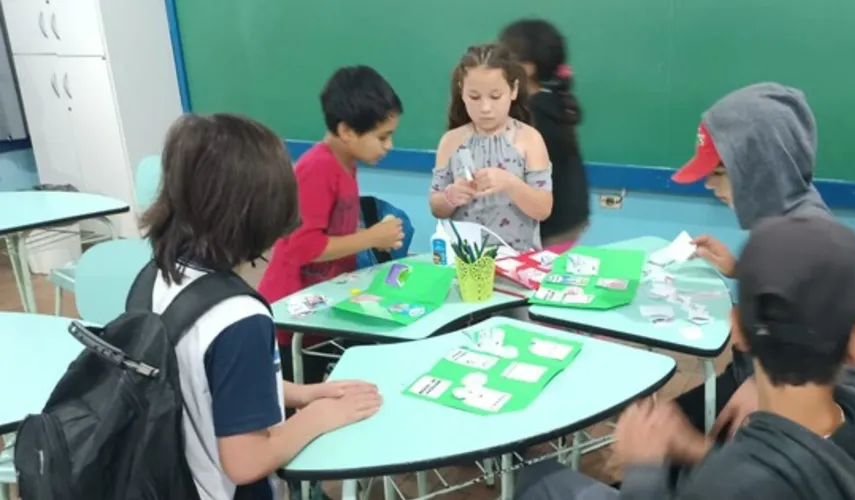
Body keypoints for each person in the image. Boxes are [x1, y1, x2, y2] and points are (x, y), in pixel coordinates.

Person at [517, 216, 855, 500]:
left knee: (538, 479)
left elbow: (750, 482)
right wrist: (694, 449)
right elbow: (779, 476)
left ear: (738, 329)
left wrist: (645, 470)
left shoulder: (733, 482)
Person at [141, 113, 382, 499]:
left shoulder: (158, 274)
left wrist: (300, 394)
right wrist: (316, 418)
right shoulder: (239, 318)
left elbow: (203, 382)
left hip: (164, 477)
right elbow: (246, 461)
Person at [668, 82, 855, 441]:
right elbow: (800, 303)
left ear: (760, 170)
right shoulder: (781, 219)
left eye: (718, 173)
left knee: (665, 444)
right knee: (667, 426)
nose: (707, 184)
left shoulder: (807, 235)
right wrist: (741, 271)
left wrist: (772, 390)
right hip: (758, 384)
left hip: (797, 417)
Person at [258, 65, 406, 384]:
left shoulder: (345, 165)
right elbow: (303, 246)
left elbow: (331, 233)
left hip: (322, 304)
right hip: (293, 314)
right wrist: (369, 237)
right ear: (347, 131)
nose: (389, 146)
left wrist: (372, 239)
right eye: (382, 136)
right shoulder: (317, 169)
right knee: (303, 403)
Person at [429, 43, 554, 253]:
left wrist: (510, 183)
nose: (485, 108)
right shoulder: (451, 141)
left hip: (517, 259)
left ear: (513, 90)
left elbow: (543, 209)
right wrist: (451, 197)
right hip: (465, 260)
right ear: (462, 92)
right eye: (474, 97)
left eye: (495, 97)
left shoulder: (529, 139)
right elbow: (436, 207)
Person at [499, 19, 590, 252]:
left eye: (503, 57)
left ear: (527, 67)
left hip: (547, 229)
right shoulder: (553, 99)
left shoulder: (529, 115)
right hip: (568, 219)